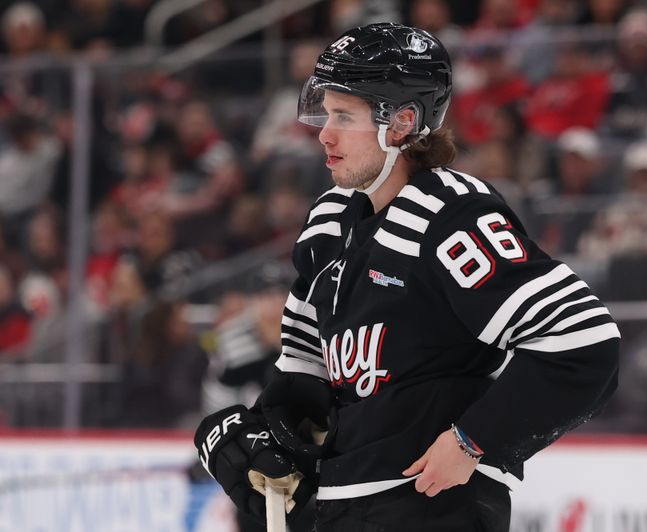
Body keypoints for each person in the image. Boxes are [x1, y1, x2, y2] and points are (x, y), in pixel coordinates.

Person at [194, 23, 619, 532]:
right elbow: (308, 373)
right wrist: (262, 439)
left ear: (401, 123)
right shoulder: (330, 224)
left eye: (344, 117)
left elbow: (583, 343)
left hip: (433, 511)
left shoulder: (450, 214)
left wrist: (472, 440)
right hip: (340, 511)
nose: (324, 134)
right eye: (326, 113)